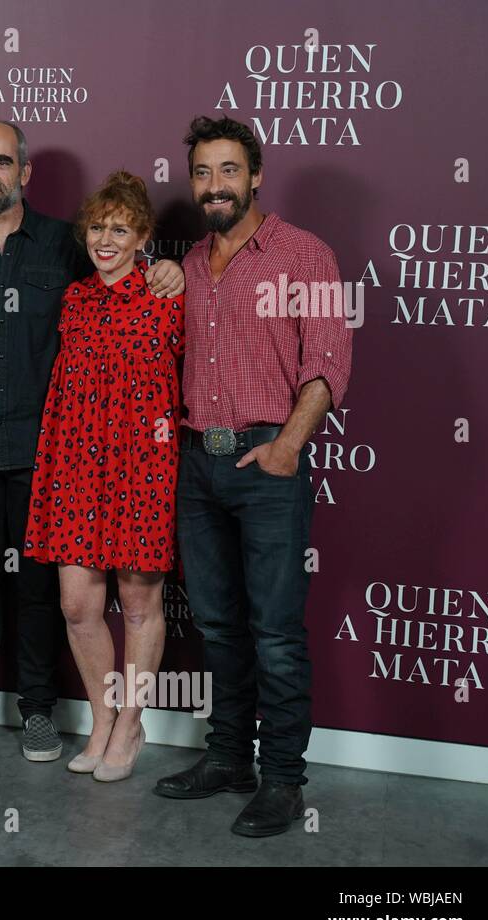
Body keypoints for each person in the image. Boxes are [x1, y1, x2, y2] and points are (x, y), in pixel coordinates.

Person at [0, 123, 184, 762]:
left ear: (25, 170)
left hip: (86, 457)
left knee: (72, 593)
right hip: (9, 450)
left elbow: (139, 295)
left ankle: (61, 716)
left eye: (2, 161)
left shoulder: (86, 263)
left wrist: (167, 269)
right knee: (2, 585)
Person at [153, 115, 352, 836]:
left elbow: (328, 363)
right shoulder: (189, 265)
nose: (214, 186)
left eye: (228, 170)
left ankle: (284, 781)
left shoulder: (307, 255)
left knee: (273, 632)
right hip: (198, 464)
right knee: (218, 626)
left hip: (268, 462)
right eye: (202, 172)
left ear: (256, 175)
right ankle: (229, 757)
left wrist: (287, 446)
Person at [24, 171, 184, 781]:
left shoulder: (169, 296)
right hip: (75, 466)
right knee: (76, 605)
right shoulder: (75, 298)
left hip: (143, 469)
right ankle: (101, 718)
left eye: (120, 228)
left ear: (144, 235)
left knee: (140, 605)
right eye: (97, 227)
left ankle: (132, 724)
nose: (106, 239)